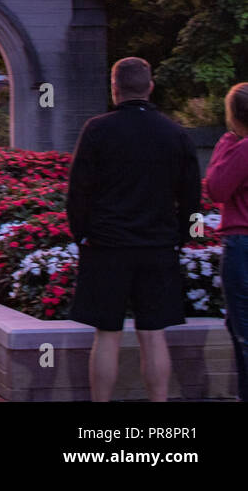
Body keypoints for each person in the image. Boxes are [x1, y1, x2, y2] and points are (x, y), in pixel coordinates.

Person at [66, 57, 202, 402]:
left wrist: (81, 234)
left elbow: (78, 191)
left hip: (107, 246)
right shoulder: (175, 133)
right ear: (150, 87)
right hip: (157, 247)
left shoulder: (96, 130)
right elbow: (191, 197)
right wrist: (181, 238)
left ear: (114, 89)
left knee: (107, 335)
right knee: (154, 334)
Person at [206, 82, 248, 401]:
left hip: (243, 245)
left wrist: (224, 143)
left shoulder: (241, 149)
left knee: (243, 331)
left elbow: (216, 189)